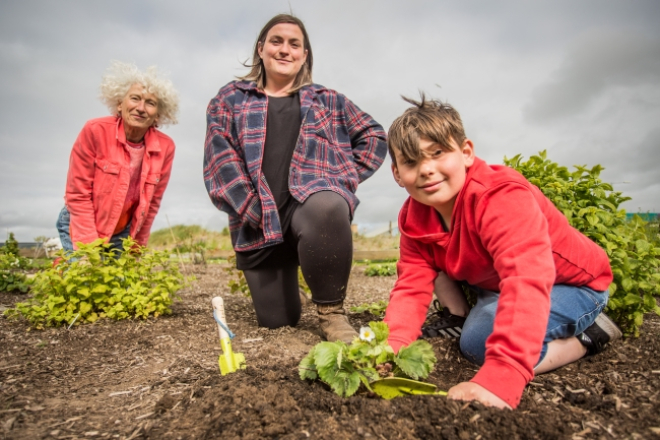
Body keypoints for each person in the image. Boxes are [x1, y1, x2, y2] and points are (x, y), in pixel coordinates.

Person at [383, 95, 621, 409]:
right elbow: (411, 286)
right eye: (411, 162)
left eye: (437, 153)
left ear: (466, 153)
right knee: (457, 294)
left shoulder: (500, 196)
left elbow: (526, 279)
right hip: (493, 284)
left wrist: (503, 374)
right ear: (397, 173)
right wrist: (389, 348)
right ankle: (467, 316)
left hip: (572, 285)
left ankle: (588, 337)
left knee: (477, 344)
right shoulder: (415, 216)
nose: (426, 169)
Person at [204, 14, 387, 343]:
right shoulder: (231, 99)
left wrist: (342, 177)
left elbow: (374, 136)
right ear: (261, 49)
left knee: (328, 204)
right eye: (276, 41)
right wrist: (251, 208)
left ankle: (332, 313)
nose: (285, 49)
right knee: (279, 321)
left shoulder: (328, 100)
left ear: (304, 55)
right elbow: (220, 159)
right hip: (259, 220)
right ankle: (298, 284)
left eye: (294, 44)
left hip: (310, 205)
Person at [57, 61, 179, 253]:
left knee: (122, 282)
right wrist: (88, 252)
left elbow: (151, 204)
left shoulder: (166, 147)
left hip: (123, 231)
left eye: (150, 103)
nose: (141, 108)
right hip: (81, 224)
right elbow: (78, 194)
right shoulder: (94, 131)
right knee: (86, 279)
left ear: (158, 115)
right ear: (120, 104)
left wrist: (136, 249)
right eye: (135, 98)